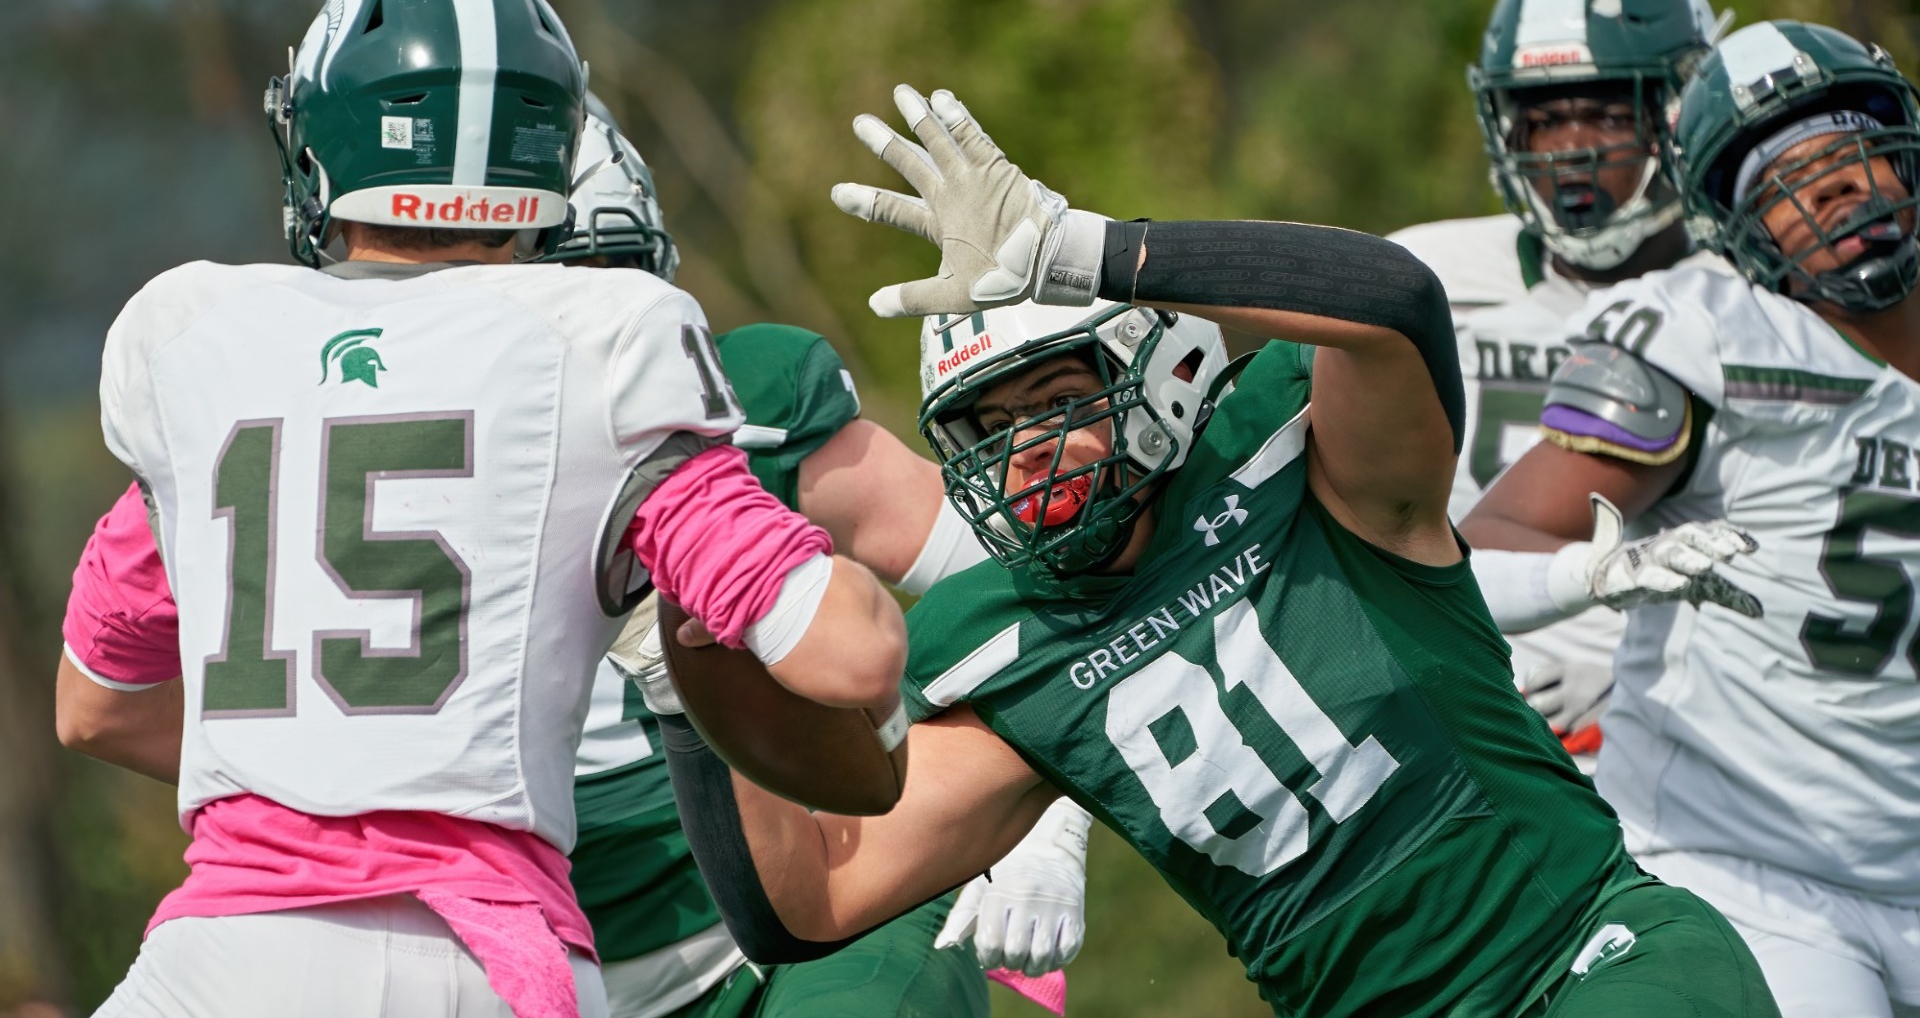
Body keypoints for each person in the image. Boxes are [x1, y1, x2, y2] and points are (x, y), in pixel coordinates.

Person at [650, 84, 1780, 1017]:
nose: (1025, 452)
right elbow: (807, 903)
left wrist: (1093, 252)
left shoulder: (1308, 464)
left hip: (1589, 956)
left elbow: (1389, 301)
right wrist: (674, 672)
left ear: (1160, 372)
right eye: (986, 430)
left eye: (1052, 399)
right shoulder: (1010, 644)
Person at [53, 0, 904, 1017]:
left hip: (234, 956)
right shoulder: (598, 341)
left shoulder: (198, 338)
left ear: (320, 140)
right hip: (489, 959)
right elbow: (849, 653)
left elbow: (94, 704)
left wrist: (330, 765)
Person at [550, 101, 1090, 1018]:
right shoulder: (342, 469)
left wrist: (1046, 816)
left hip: (815, 926)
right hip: (528, 968)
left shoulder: (739, 402)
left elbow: (1031, 573)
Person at [1460, 20, 1920, 1018]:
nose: (1835, 190)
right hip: (1750, 863)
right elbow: (1492, 539)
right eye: (1786, 181)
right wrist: (1592, 583)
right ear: (1741, 230)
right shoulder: (1720, 331)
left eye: (1852, 155)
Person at [1388, 0, 1734, 765]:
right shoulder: (1419, 277)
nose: (1570, 149)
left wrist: (1634, 676)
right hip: (1452, 736)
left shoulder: (1753, 303)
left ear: (1683, 112)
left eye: (1608, 113)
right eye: (1544, 118)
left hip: (1691, 749)